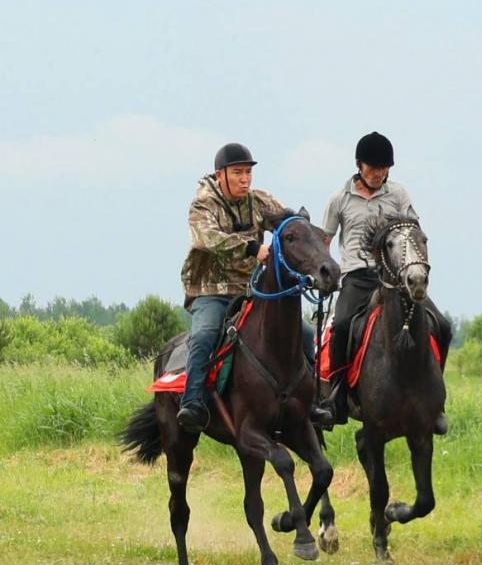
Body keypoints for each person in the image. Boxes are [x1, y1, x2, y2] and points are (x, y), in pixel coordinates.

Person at [176, 143, 332, 432]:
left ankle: (313, 403)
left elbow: (289, 226)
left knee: (306, 332)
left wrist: (314, 245)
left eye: (248, 173)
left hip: (250, 290)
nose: (245, 179)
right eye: (238, 173)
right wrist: (252, 248)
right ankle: (192, 402)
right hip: (210, 291)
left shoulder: (260, 201)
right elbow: (206, 238)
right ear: (220, 174)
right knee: (205, 334)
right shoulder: (202, 205)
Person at [321, 131, 452, 432]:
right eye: (374, 168)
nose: (380, 174)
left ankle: (436, 402)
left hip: (395, 278)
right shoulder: (338, 199)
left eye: (385, 168)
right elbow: (324, 242)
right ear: (359, 165)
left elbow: (414, 233)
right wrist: (325, 275)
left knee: (442, 326)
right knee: (341, 326)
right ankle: (336, 398)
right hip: (357, 276)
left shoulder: (399, 194)